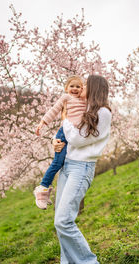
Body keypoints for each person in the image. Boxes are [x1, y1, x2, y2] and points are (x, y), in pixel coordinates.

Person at [52, 74, 112, 264]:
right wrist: (56, 142)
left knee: (63, 220)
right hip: (67, 166)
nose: (81, 87)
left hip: (82, 167)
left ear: (94, 88)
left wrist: (64, 120)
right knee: (60, 221)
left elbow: (78, 138)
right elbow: (67, 137)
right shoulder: (82, 109)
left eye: (86, 84)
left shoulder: (103, 113)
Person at [34, 76, 86, 209]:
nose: (75, 89)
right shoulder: (66, 98)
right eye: (72, 86)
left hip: (75, 134)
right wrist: (42, 123)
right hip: (64, 133)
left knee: (66, 161)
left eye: (78, 86)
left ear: (83, 89)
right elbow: (54, 110)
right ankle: (43, 188)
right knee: (58, 162)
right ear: (66, 88)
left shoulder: (84, 100)